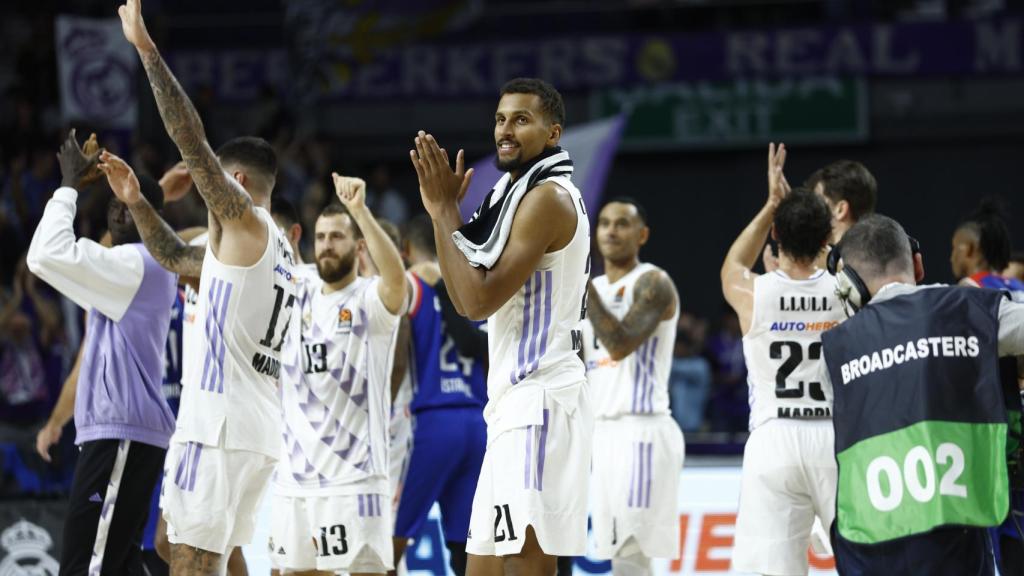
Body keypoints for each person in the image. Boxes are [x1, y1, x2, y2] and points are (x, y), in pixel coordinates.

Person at [116, 1, 298, 571]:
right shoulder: (273, 251)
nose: (203, 190)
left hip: (219, 426)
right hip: (252, 427)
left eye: (214, 180)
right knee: (183, 546)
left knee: (192, 558)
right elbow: (174, 256)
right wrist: (138, 203)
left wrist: (147, 50)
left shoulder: (244, 222)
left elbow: (189, 138)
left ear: (236, 182)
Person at [409, 77, 592, 575]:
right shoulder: (514, 194)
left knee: (525, 566)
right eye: (500, 118)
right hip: (512, 405)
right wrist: (440, 215)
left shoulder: (547, 199)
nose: (505, 130)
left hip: (540, 401)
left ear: (552, 133)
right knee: (483, 569)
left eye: (521, 119)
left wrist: (444, 211)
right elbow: (465, 283)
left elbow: (473, 300)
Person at [822, 214, 1024, 574]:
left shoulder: (835, 348)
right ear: (917, 264)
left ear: (848, 286)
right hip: (953, 540)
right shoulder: (967, 310)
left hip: (867, 546)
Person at [26, 130, 177, 575]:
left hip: (122, 435)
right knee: (118, 562)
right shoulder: (134, 269)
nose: (115, 209)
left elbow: (43, 256)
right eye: (111, 203)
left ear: (148, 217)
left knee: (84, 565)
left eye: (126, 205)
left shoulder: (135, 266)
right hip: (123, 434)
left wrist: (70, 184)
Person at [269, 176, 406, 575]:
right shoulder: (300, 284)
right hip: (296, 479)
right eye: (321, 236)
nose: (327, 244)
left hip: (355, 480)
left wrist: (359, 211)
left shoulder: (369, 299)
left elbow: (396, 280)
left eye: (337, 237)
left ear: (358, 246)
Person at [721, 144, 845, 576]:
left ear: (775, 235)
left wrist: (772, 204)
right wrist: (824, 241)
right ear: (827, 237)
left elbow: (733, 263)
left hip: (773, 440)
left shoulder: (753, 291)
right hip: (835, 437)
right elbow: (848, 268)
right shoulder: (844, 290)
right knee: (860, 560)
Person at [581, 197, 683, 575]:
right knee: (617, 554)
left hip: (641, 429)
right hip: (601, 434)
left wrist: (579, 282)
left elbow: (620, 345)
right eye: (604, 222)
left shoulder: (653, 282)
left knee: (632, 550)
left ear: (642, 235)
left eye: (621, 223)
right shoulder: (589, 289)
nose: (610, 230)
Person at [392, 214, 488, 576]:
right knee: (468, 549)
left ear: (404, 250)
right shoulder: (471, 289)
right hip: (476, 423)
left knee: (388, 540)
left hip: (429, 424)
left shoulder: (407, 284)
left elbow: (396, 358)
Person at [950, 200, 1024, 575]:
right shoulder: (1020, 288)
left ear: (969, 250)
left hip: (993, 434)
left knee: (990, 544)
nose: (951, 257)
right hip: (1019, 427)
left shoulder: (967, 290)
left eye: (953, 248)